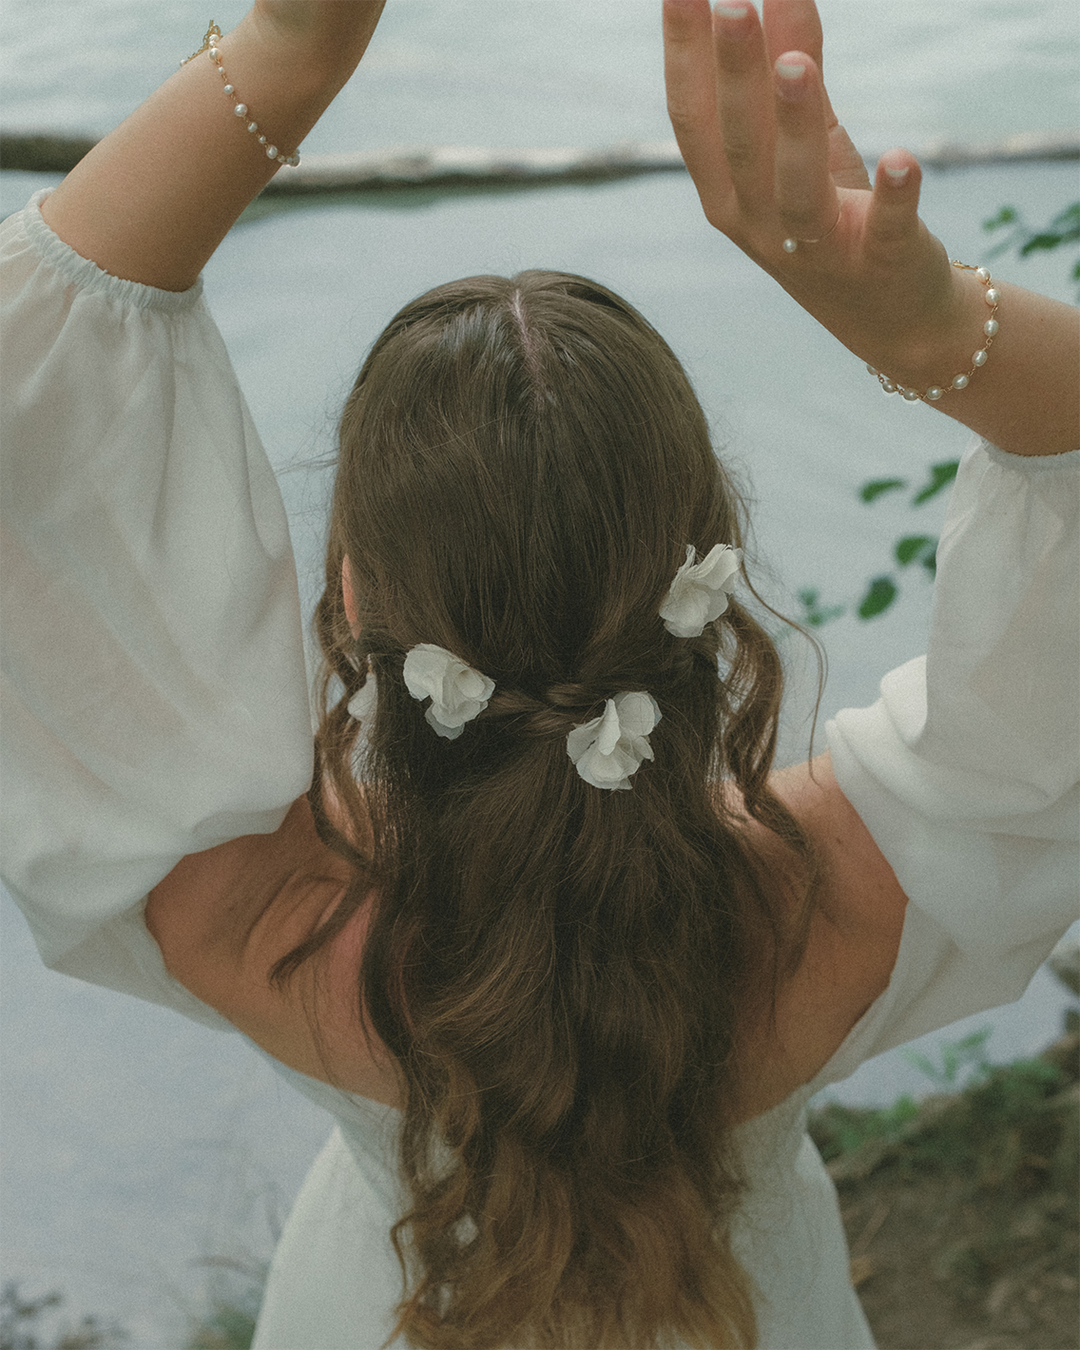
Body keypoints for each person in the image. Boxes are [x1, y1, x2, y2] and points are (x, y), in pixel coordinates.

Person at [2, 0, 1079, 1345]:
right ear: (711, 576)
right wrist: (929, 329)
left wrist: (288, 54)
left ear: (350, 600)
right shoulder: (835, 914)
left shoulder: (261, 922)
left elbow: (26, 422)